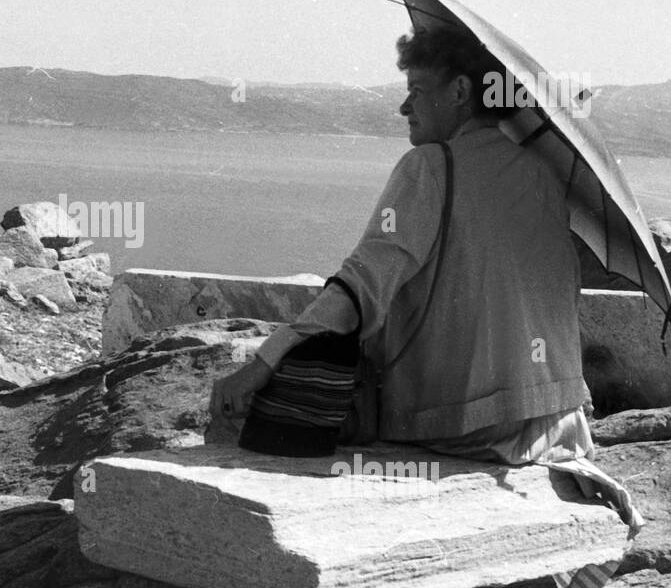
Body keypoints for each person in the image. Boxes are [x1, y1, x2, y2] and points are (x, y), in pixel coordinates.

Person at [208, 25, 596, 467]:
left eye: (416, 89)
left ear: (460, 91)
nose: (403, 106)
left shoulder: (430, 167)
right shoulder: (542, 174)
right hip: (555, 421)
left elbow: (362, 285)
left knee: (238, 416)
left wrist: (264, 362)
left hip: (466, 426)